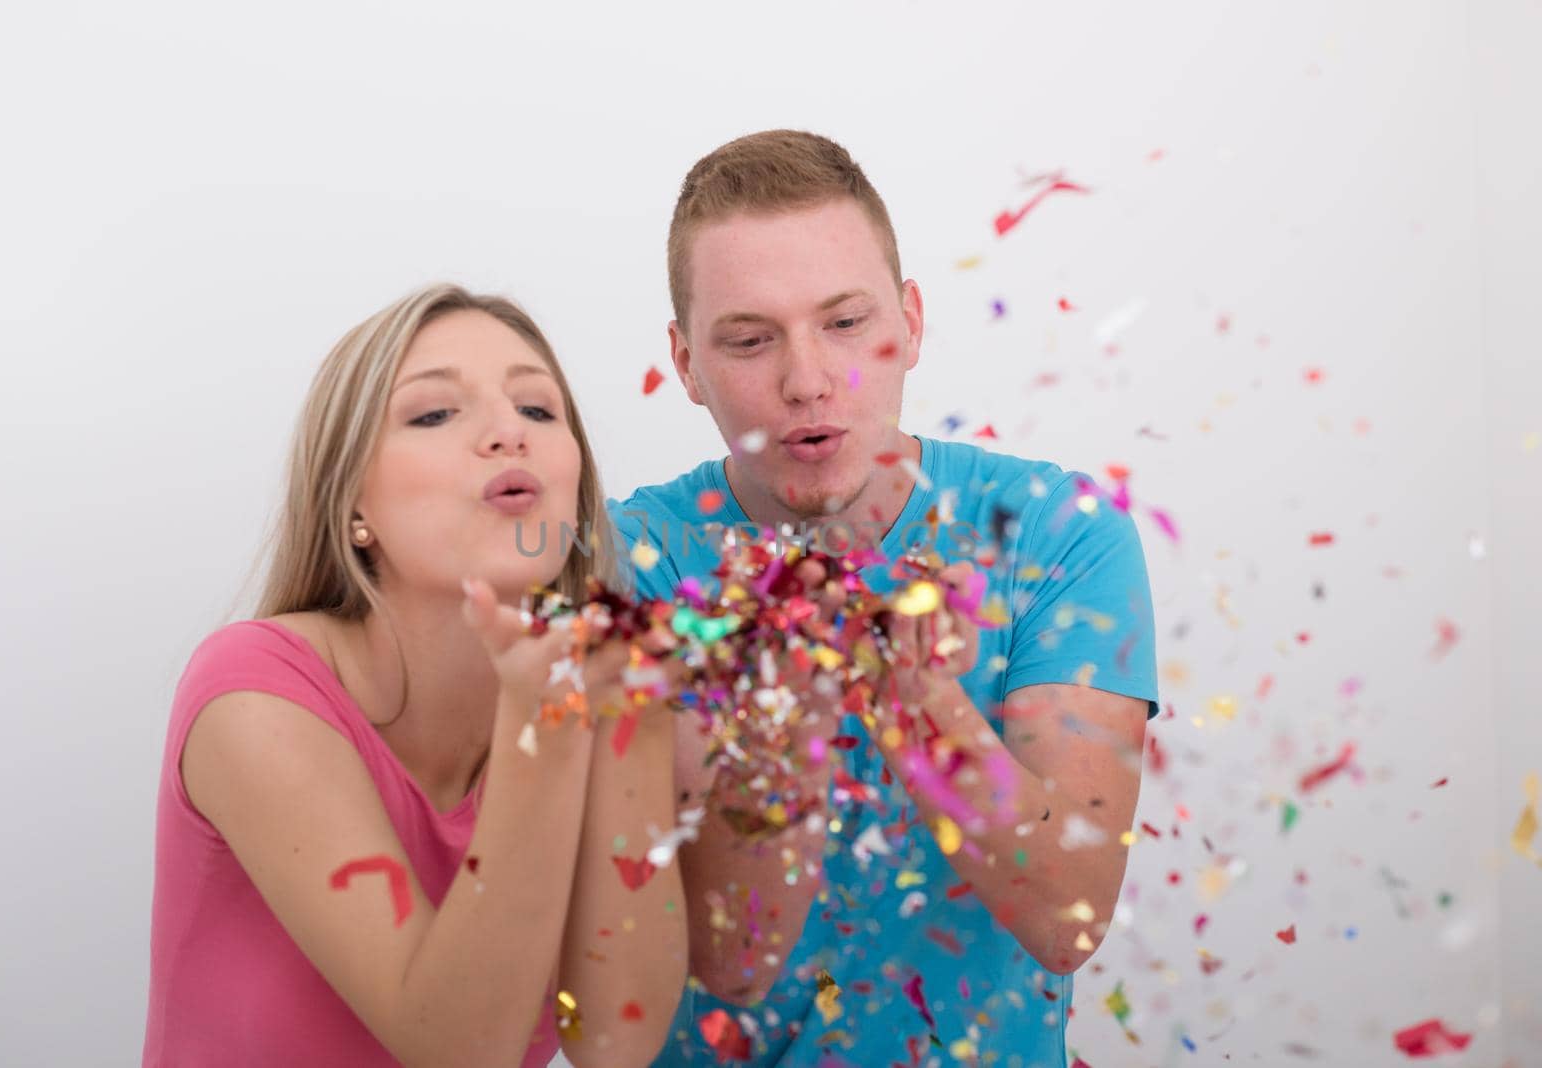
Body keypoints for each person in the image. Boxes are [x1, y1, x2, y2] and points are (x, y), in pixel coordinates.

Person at [609, 131, 1159, 1067]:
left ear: (908, 323)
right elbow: (665, 948)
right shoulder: (626, 568)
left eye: (846, 323)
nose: (806, 380)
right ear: (687, 362)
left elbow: (1067, 918)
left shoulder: (1057, 533)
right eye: (749, 340)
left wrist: (919, 701)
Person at [144, 283, 687, 1067]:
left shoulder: (590, 695)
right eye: (434, 414)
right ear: (352, 503)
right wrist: (543, 734)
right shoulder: (254, 691)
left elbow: (616, 1041)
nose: (509, 433)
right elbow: (457, 1049)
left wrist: (643, 729)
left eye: (538, 410)